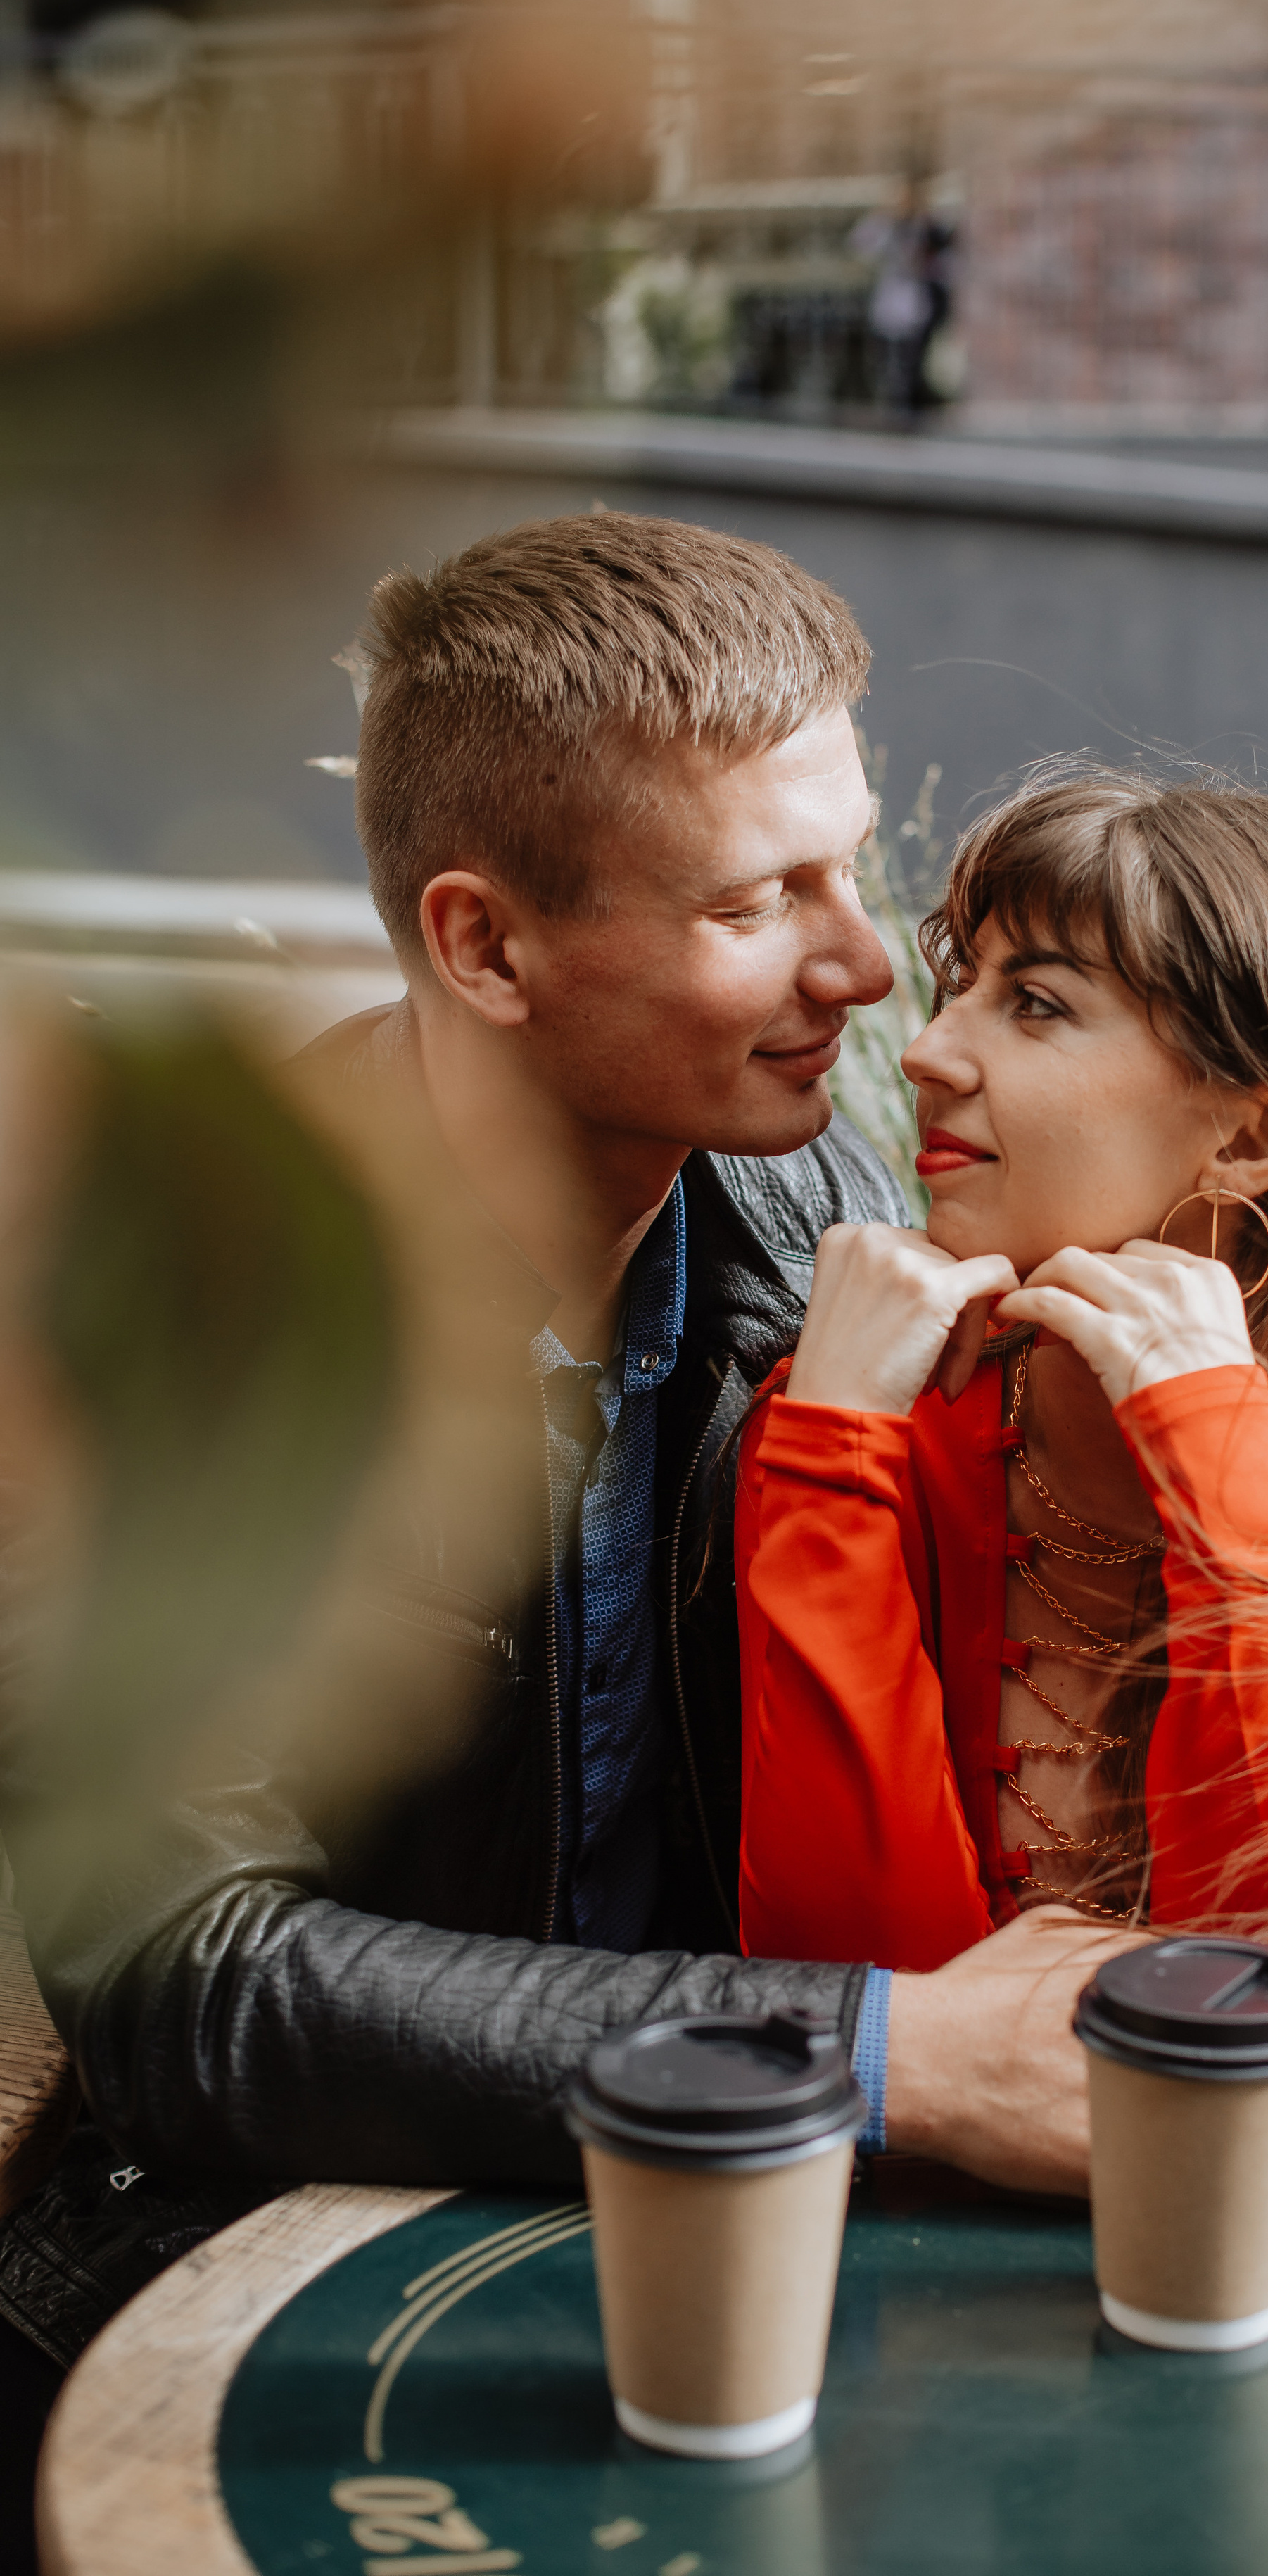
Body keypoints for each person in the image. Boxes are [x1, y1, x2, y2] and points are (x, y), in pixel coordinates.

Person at [0, 522, 1137, 2506]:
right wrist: (886, 2054)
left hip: (722, 2208)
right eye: (756, 901)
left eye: (847, 864)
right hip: (271, 2260)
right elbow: (191, 1985)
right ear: (484, 944)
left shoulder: (805, 1205)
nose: (863, 968)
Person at [735, 770, 1268, 2165]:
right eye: (960, 984)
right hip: (974, 2214)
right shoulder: (868, 1418)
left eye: (1034, 1003)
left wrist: (1216, 1464)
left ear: (1252, 1134)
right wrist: (825, 1456)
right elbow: (860, 1993)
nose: (924, 1051)